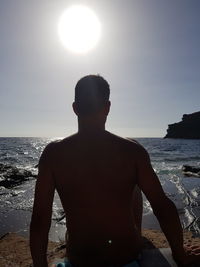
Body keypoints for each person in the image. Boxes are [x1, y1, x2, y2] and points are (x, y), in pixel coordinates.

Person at [30, 75, 200, 267]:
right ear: (108, 107)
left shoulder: (53, 153)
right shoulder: (132, 151)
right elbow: (162, 206)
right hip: (126, 260)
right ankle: (136, 237)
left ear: (75, 108)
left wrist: (39, 264)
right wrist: (179, 254)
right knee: (134, 185)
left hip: (80, 262)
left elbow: (40, 217)